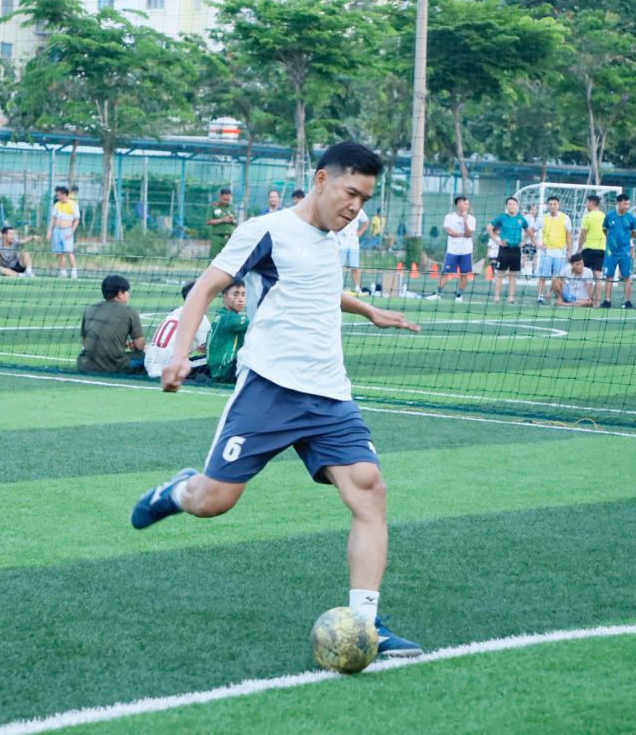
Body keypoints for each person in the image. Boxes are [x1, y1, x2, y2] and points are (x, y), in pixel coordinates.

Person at [129, 140, 423, 657]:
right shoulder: (266, 231)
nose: (356, 207)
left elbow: (314, 287)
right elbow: (204, 288)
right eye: (351, 193)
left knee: (369, 489)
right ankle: (176, 492)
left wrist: (368, 310)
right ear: (321, 180)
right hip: (269, 387)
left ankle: (366, 622)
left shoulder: (331, 238)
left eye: (365, 199)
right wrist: (178, 355)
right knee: (213, 502)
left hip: (329, 393)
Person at [77, 273, 145, 374]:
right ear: (120, 294)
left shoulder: (90, 309)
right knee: (147, 357)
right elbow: (140, 346)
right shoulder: (129, 311)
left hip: (84, 365)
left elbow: (84, 340)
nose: (128, 294)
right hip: (114, 367)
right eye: (126, 291)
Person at [145, 282, 211, 379]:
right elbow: (207, 348)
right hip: (172, 367)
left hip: (149, 363)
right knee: (215, 361)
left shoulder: (175, 312)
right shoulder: (199, 316)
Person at [431, 195, 476, 302]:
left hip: (466, 251)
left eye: (467, 204)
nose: (466, 206)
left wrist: (465, 220)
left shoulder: (471, 219)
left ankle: (459, 295)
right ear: (458, 204)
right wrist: (463, 235)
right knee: (445, 272)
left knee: (464, 274)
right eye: (464, 203)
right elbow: (450, 232)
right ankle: (438, 293)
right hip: (452, 251)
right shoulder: (449, 217)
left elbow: (469, 233)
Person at [206, 279, 250, 382]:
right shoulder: (229, 319)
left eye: (243, 295)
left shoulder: (223, 315)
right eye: (235, 294)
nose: (240, 299)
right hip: (227, 371)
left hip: (220, 369)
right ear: (224, 296)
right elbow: (258, 322)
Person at [487, 197, 527, 304]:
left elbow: (529, 231)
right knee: (500, 273)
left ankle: (511, 298)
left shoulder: (521, 219)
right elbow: (489, 228)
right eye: (509, 204)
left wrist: (524, 241)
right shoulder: (501, 217)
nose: (511, 206)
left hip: (516, 250)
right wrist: (497, 240)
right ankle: (496, 297)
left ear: (517, 205)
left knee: (513, 275)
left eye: (514, 204)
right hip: (504, 249)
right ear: (506, 206)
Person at [600, 193, 636, 309]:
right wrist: (611, 241)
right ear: (618, 203)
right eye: (625, 204)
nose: (627, 206)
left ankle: (627, 301)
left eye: (628, 204)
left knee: (627, 276)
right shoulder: (609, 216)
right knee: (609, 276)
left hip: (625, 252)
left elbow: (634, 233)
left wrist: (625, 241)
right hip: (611, 253)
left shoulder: (631, 218)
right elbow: (604, 230)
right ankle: (607, 300)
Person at [576, 194, 607, 303]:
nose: (586, 205)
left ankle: (585, 299)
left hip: (589, 249)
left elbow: (582, 234)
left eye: (587, 202)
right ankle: (597, 301)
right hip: (601, 250)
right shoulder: (604, 216)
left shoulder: (588, 216)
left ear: (591, 203)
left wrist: (579, 248)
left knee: (583, 275)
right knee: (598, 277)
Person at [537, 196, 572, 293]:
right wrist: (538, 245)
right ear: (547, 206)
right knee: (542, 276)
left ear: (558, 205)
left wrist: (569, 251)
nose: (553, 206)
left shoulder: (565, 218)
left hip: (561, 252)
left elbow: (569, 236)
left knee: (558, 277)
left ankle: (554, 295)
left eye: (555, 204)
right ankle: (540, 296)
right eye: (550, 204)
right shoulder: (542, 218)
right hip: (546, 252)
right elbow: (531, 231)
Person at [335, 203, 369, 292]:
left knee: (355, 266)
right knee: (338, 266)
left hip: (353, 241)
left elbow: (366, 221)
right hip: (341, 241)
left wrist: (360, 232)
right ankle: (338, 287)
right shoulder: (340, 207)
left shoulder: (359, 210)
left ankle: (357, 287)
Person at [50, 184, 79, 278]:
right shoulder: (57, 205)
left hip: (67, 231)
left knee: (69, 252)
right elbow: (53, 219)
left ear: (64, 194)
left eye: (58, 195)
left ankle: (74, 272)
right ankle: (63, 272)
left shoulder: (73, 205)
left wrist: (71, 231)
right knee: (59, 253)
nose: (57, 197)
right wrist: (49, 231)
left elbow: (76, 220)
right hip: (57, 231)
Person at [207, 187, 238, 259]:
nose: (226, 201)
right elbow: (208, 221)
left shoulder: (231, 207)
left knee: (229, 259)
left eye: (228, 200)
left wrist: (233, 220)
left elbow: (236, 222)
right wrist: (222, 220)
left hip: (229, 238)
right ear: (220, 196)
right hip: (217, 238)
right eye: (224, 199)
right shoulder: (213, 207)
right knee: (213, 258)